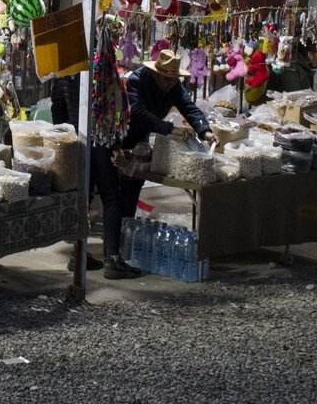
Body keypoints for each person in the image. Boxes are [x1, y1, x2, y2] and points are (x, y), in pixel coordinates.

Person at [97, 49, 216, 279]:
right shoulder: (136, 81)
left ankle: (122, 247)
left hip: (139, 142)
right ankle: (111, 254)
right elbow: (138, 113)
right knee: (113, 197)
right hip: (116, 138)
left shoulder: (174, 87)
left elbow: (189, 108)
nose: (172, 84)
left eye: (175, 80)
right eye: (168, 80)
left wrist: (205, 130)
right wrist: (170, 129)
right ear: (156, 75)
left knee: (131, 193)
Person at [49, 74, 105, 272]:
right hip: (88, 140)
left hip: (72, 141)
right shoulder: (86, 73)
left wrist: (63, 137)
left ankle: (78, 249)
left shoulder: (63, 74)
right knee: (84, 195)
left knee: (80, 195)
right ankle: (78, 253)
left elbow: (57, 108)